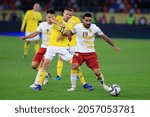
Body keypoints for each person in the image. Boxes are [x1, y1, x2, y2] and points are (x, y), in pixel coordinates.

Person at [33, 8, 93, 91]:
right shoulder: (58, 18)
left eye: (70, 15)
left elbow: (69, 36)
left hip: (63, 47)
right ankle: (39, 84)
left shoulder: (70, 25)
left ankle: (84, 83)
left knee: (75, 64)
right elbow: (51, 19)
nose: (68, 16)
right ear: (63, 13)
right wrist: (60, 25)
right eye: (67, 14)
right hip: (52, 46)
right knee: (46, 62)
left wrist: (67, 34)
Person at [67, 13, 121, 91]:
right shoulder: (77, 27)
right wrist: (69, 36)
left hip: (91, 53)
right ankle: (73, 87)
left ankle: (103, 85)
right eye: (86, 20)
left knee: (97, 72)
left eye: (90, 20)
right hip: (79, 52)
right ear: (83, 20)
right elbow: (70, 35)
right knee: (74, 66)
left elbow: (104, 37)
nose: (88, 22)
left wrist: (113, 46)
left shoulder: (95, 28)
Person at [20, 9, 56, 87]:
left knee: (42, 65)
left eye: (52, 17)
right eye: (49, 17)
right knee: (34, 65)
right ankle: (46, 75)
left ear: (55, 17)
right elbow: (35, 33)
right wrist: (25, 37)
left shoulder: (56, 26)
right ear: (46, 17)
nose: (50, 19)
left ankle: (36, 83)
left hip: (50, 49)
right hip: (43, 47)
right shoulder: (42, 24)